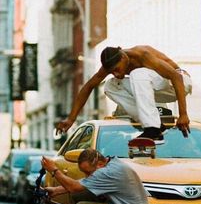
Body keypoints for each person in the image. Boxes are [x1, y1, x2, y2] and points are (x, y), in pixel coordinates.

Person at [56, 45, 192, 144]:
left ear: (123, 56)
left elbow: (176, 77)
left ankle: (152, 129)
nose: (116, 74)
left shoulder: (142, 55)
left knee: (137, 73)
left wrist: (183, 114)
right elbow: (88, 87)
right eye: (111, 71)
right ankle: (157, 125)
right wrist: (71, 119)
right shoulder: (111, 64)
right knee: (110, 85)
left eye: (117, 69)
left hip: (178, 83)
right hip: (155, 88)